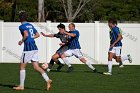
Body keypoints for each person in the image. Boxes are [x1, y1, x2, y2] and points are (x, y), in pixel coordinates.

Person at [13, 11, 52, 91]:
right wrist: (31, 38)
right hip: (34, 48)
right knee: (36, 67)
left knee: (22, 67)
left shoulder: (22, 26)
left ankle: (21, 86)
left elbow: (26, 35)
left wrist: (21, 41)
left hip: (28, 49)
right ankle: (48, 80)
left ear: (20, 18)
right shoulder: (30, 25)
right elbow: (37, 34)